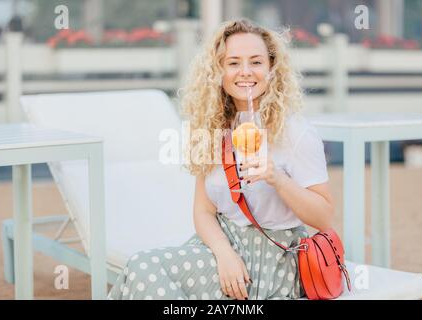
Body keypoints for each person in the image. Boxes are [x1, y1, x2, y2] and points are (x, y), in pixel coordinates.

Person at [107, 18, 335, 300]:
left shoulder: (295, 133)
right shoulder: (210, 128)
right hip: (219, 246)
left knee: (143, 271)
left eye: (256, 62)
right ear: (218, 71)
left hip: (274, 257)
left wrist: (277, 178)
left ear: (272, 69)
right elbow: (203, 210)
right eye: (233, 62)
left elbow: (324, 217)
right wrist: (224, 254)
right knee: (141, 268)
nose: (245, 72)